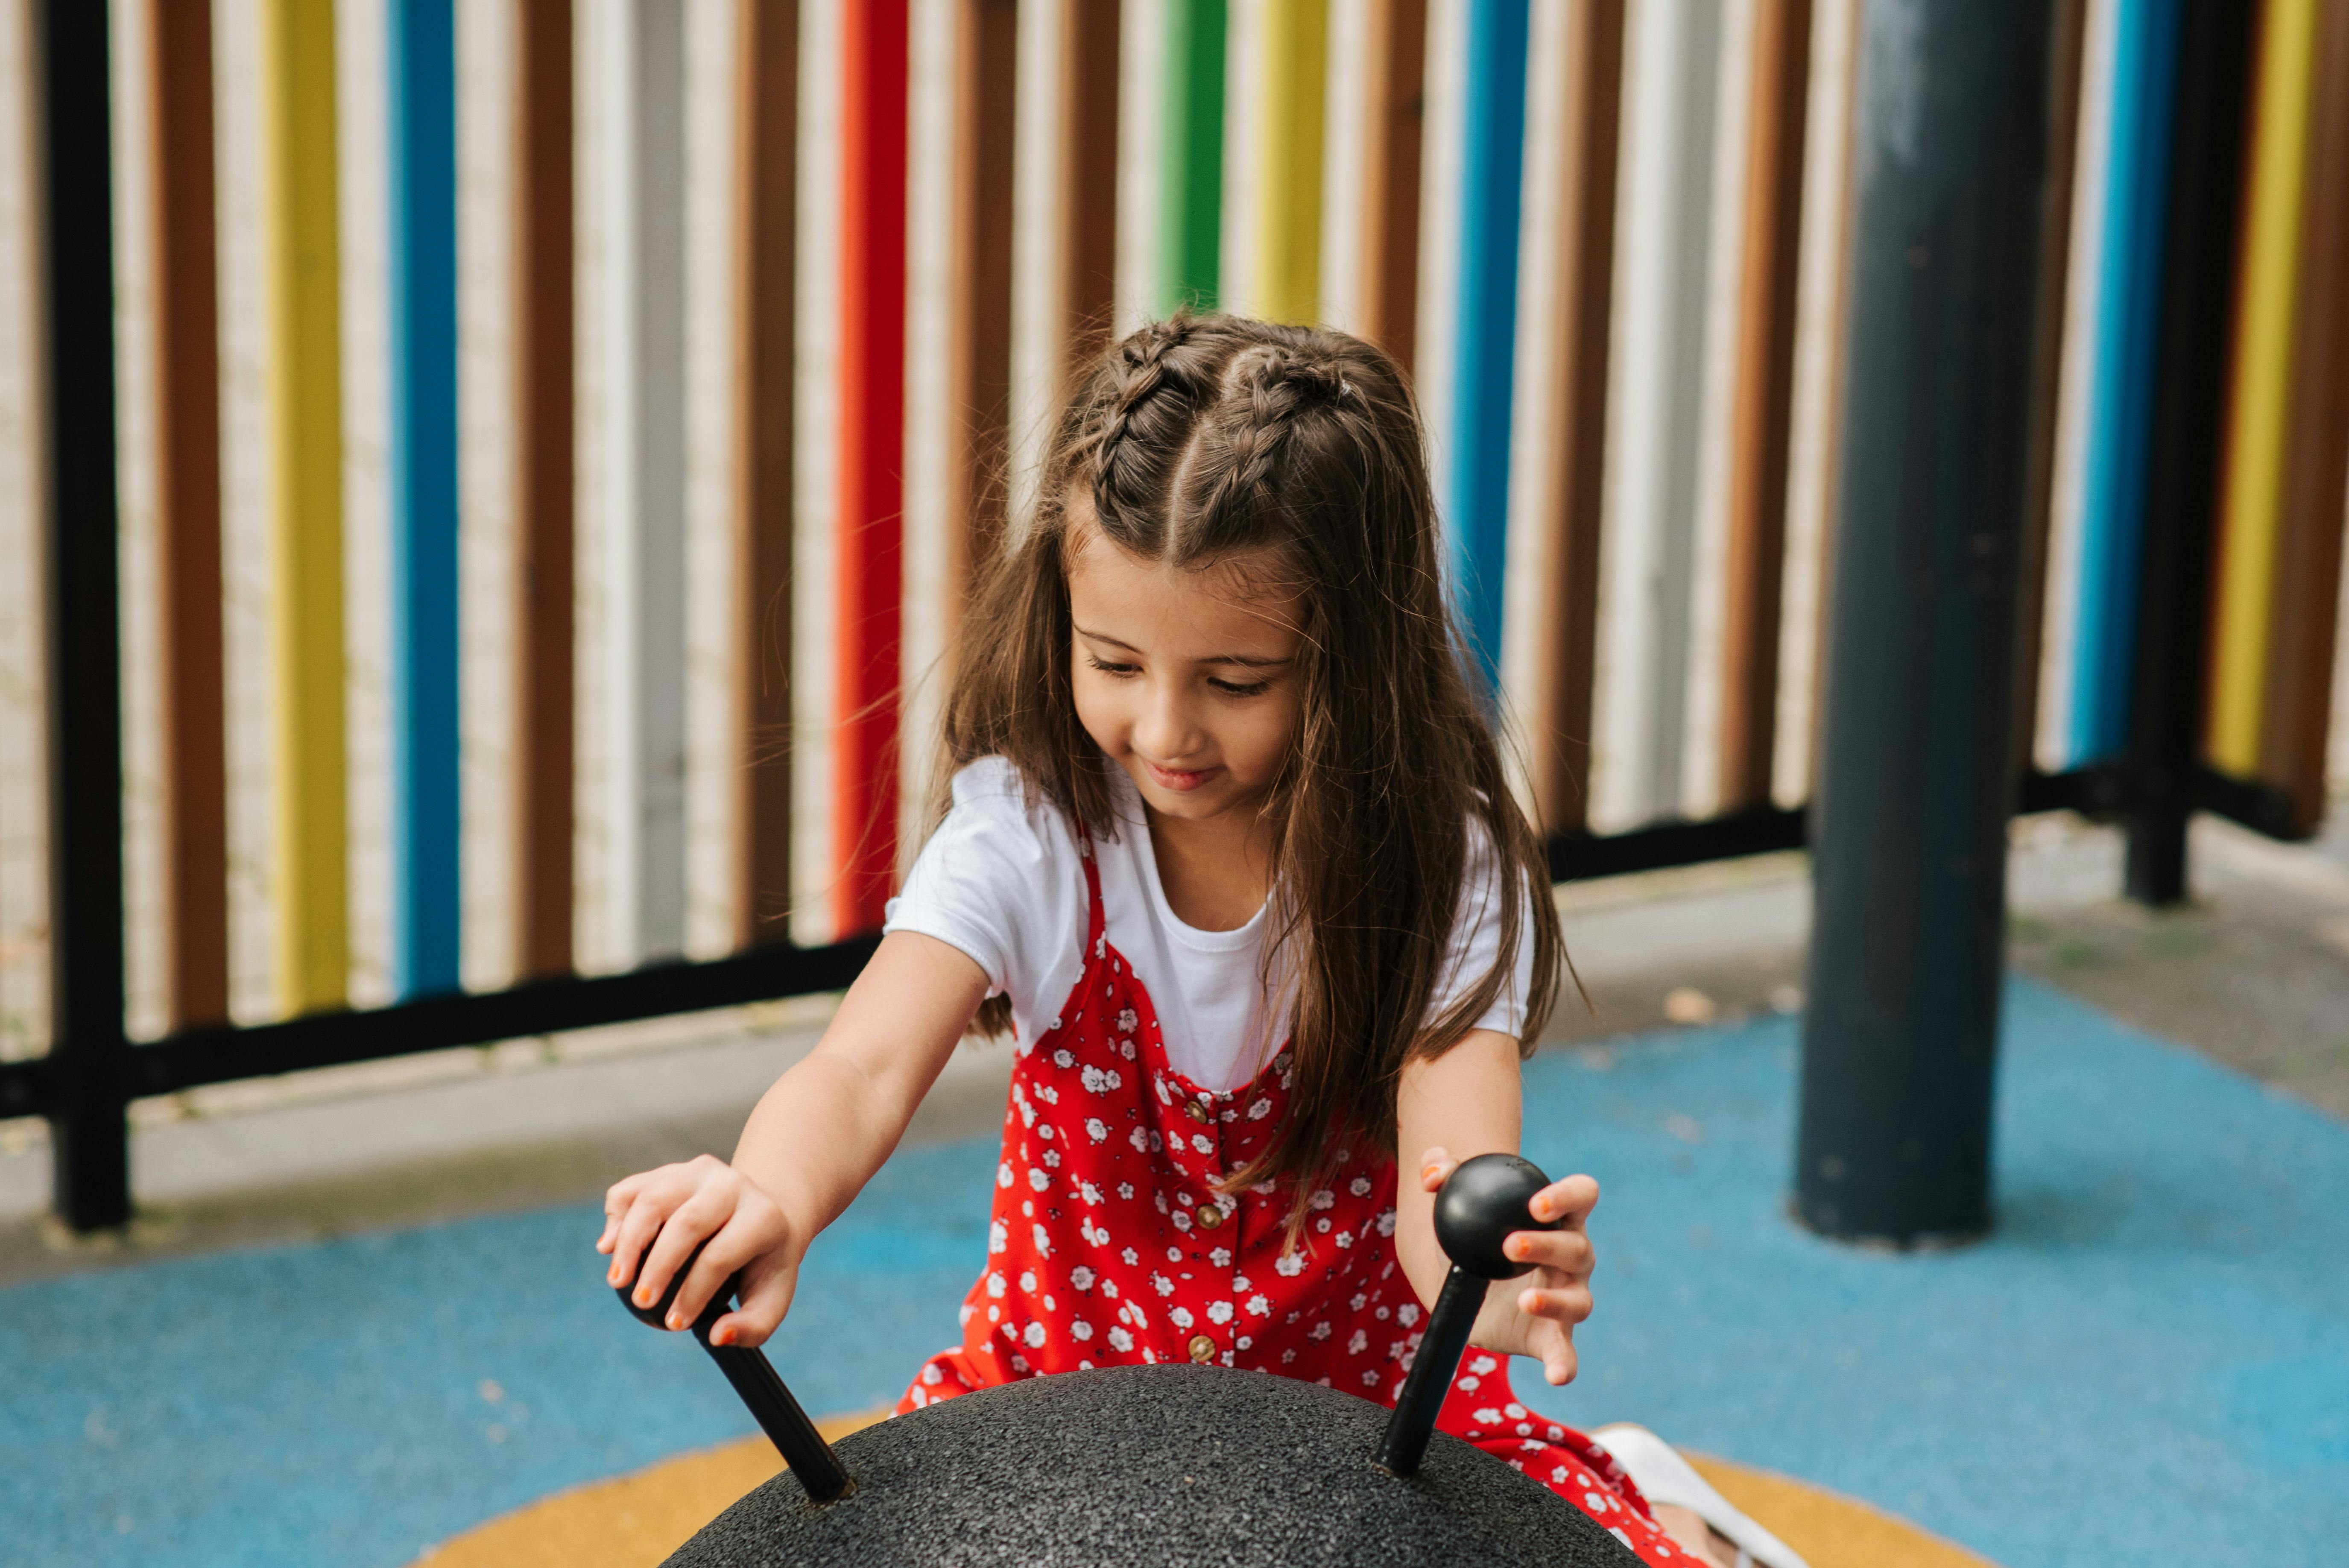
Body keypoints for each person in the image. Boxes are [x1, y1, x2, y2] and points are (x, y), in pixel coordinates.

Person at [599, 316, 1765, 1567]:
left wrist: (1498, 1277)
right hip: (1051, 1401)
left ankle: (1663, 1501)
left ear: (1350, 660)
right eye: (1114, 661)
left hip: (1363, 1421)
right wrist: (771, 1191)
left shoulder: (1433, 863)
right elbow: (861, 1067)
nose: (1164, 730)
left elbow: (1454, 1174)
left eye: (1236, 681)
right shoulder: (1035, 832)